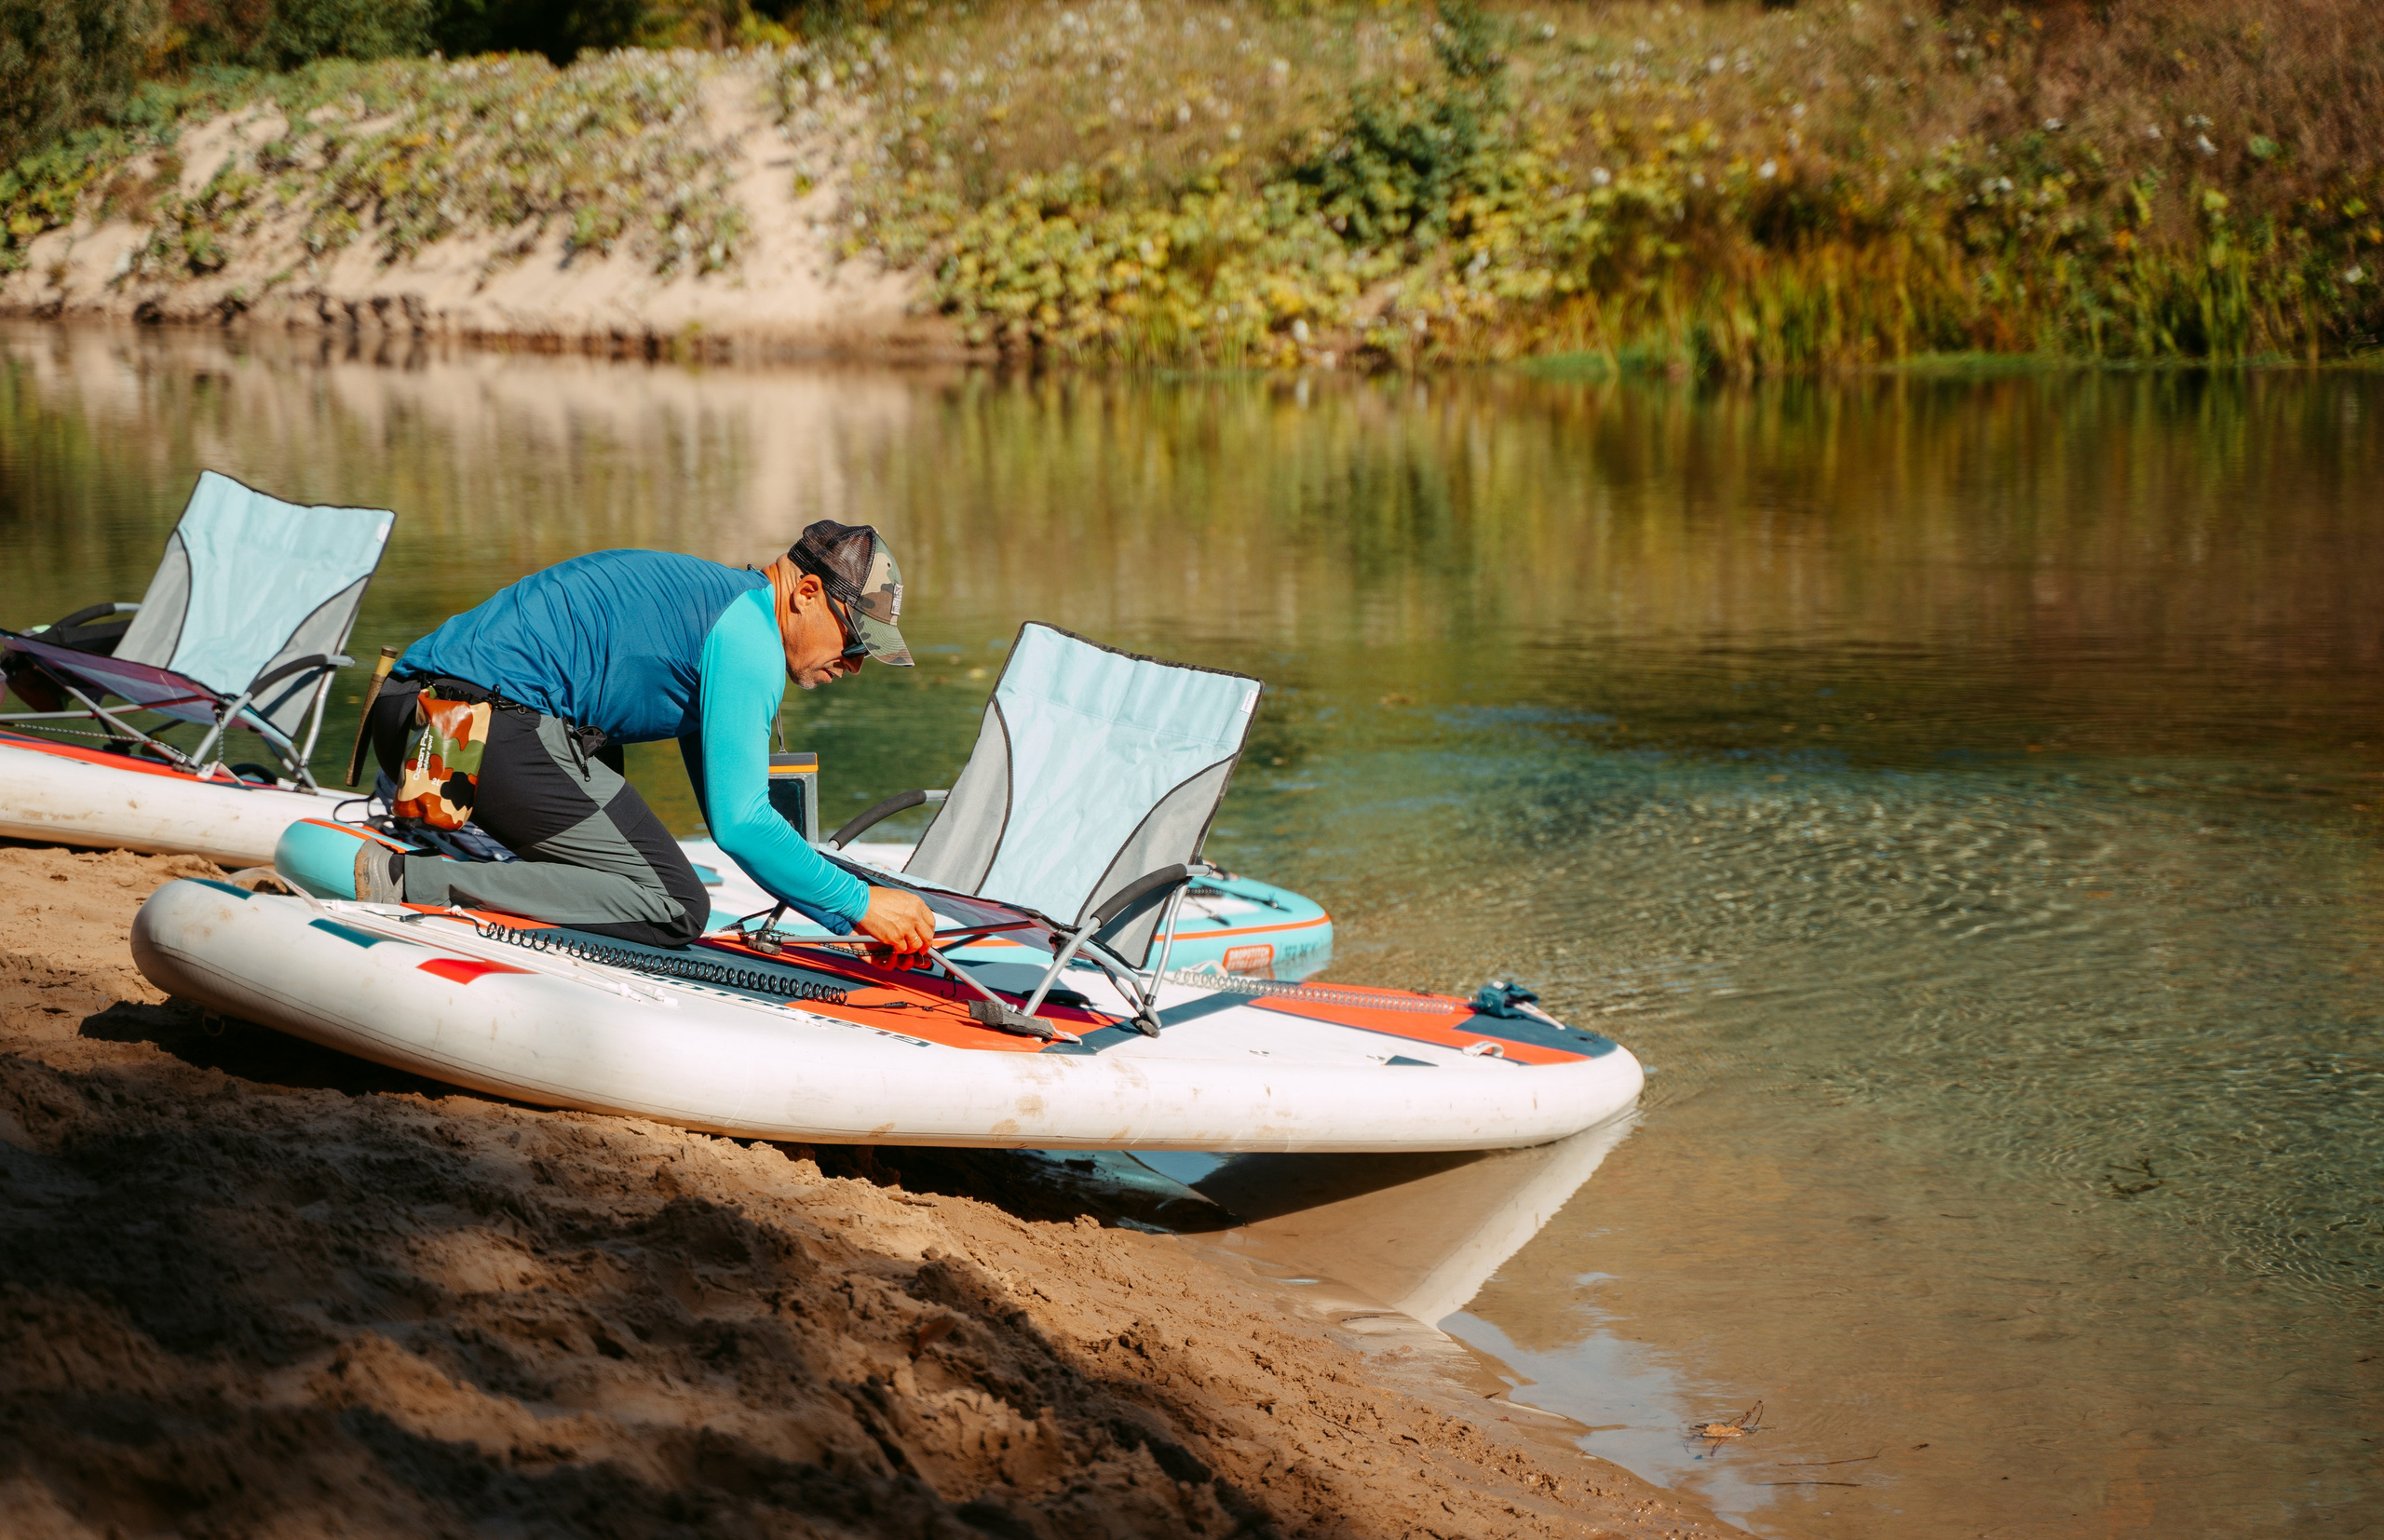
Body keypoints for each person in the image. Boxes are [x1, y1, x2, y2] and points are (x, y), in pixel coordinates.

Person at [359, 521, 937, 957]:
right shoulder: (749, 637)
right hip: (466, 726)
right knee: (677, 905)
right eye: (856, 638)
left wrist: (843, 913)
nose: (857, 664)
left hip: (411, 715)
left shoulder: (715, 607)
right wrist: (860, 904)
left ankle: (447, 868)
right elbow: (742, 824)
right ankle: (409, 882)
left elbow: (729, 821)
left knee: (632, 856)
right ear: (806, 591)